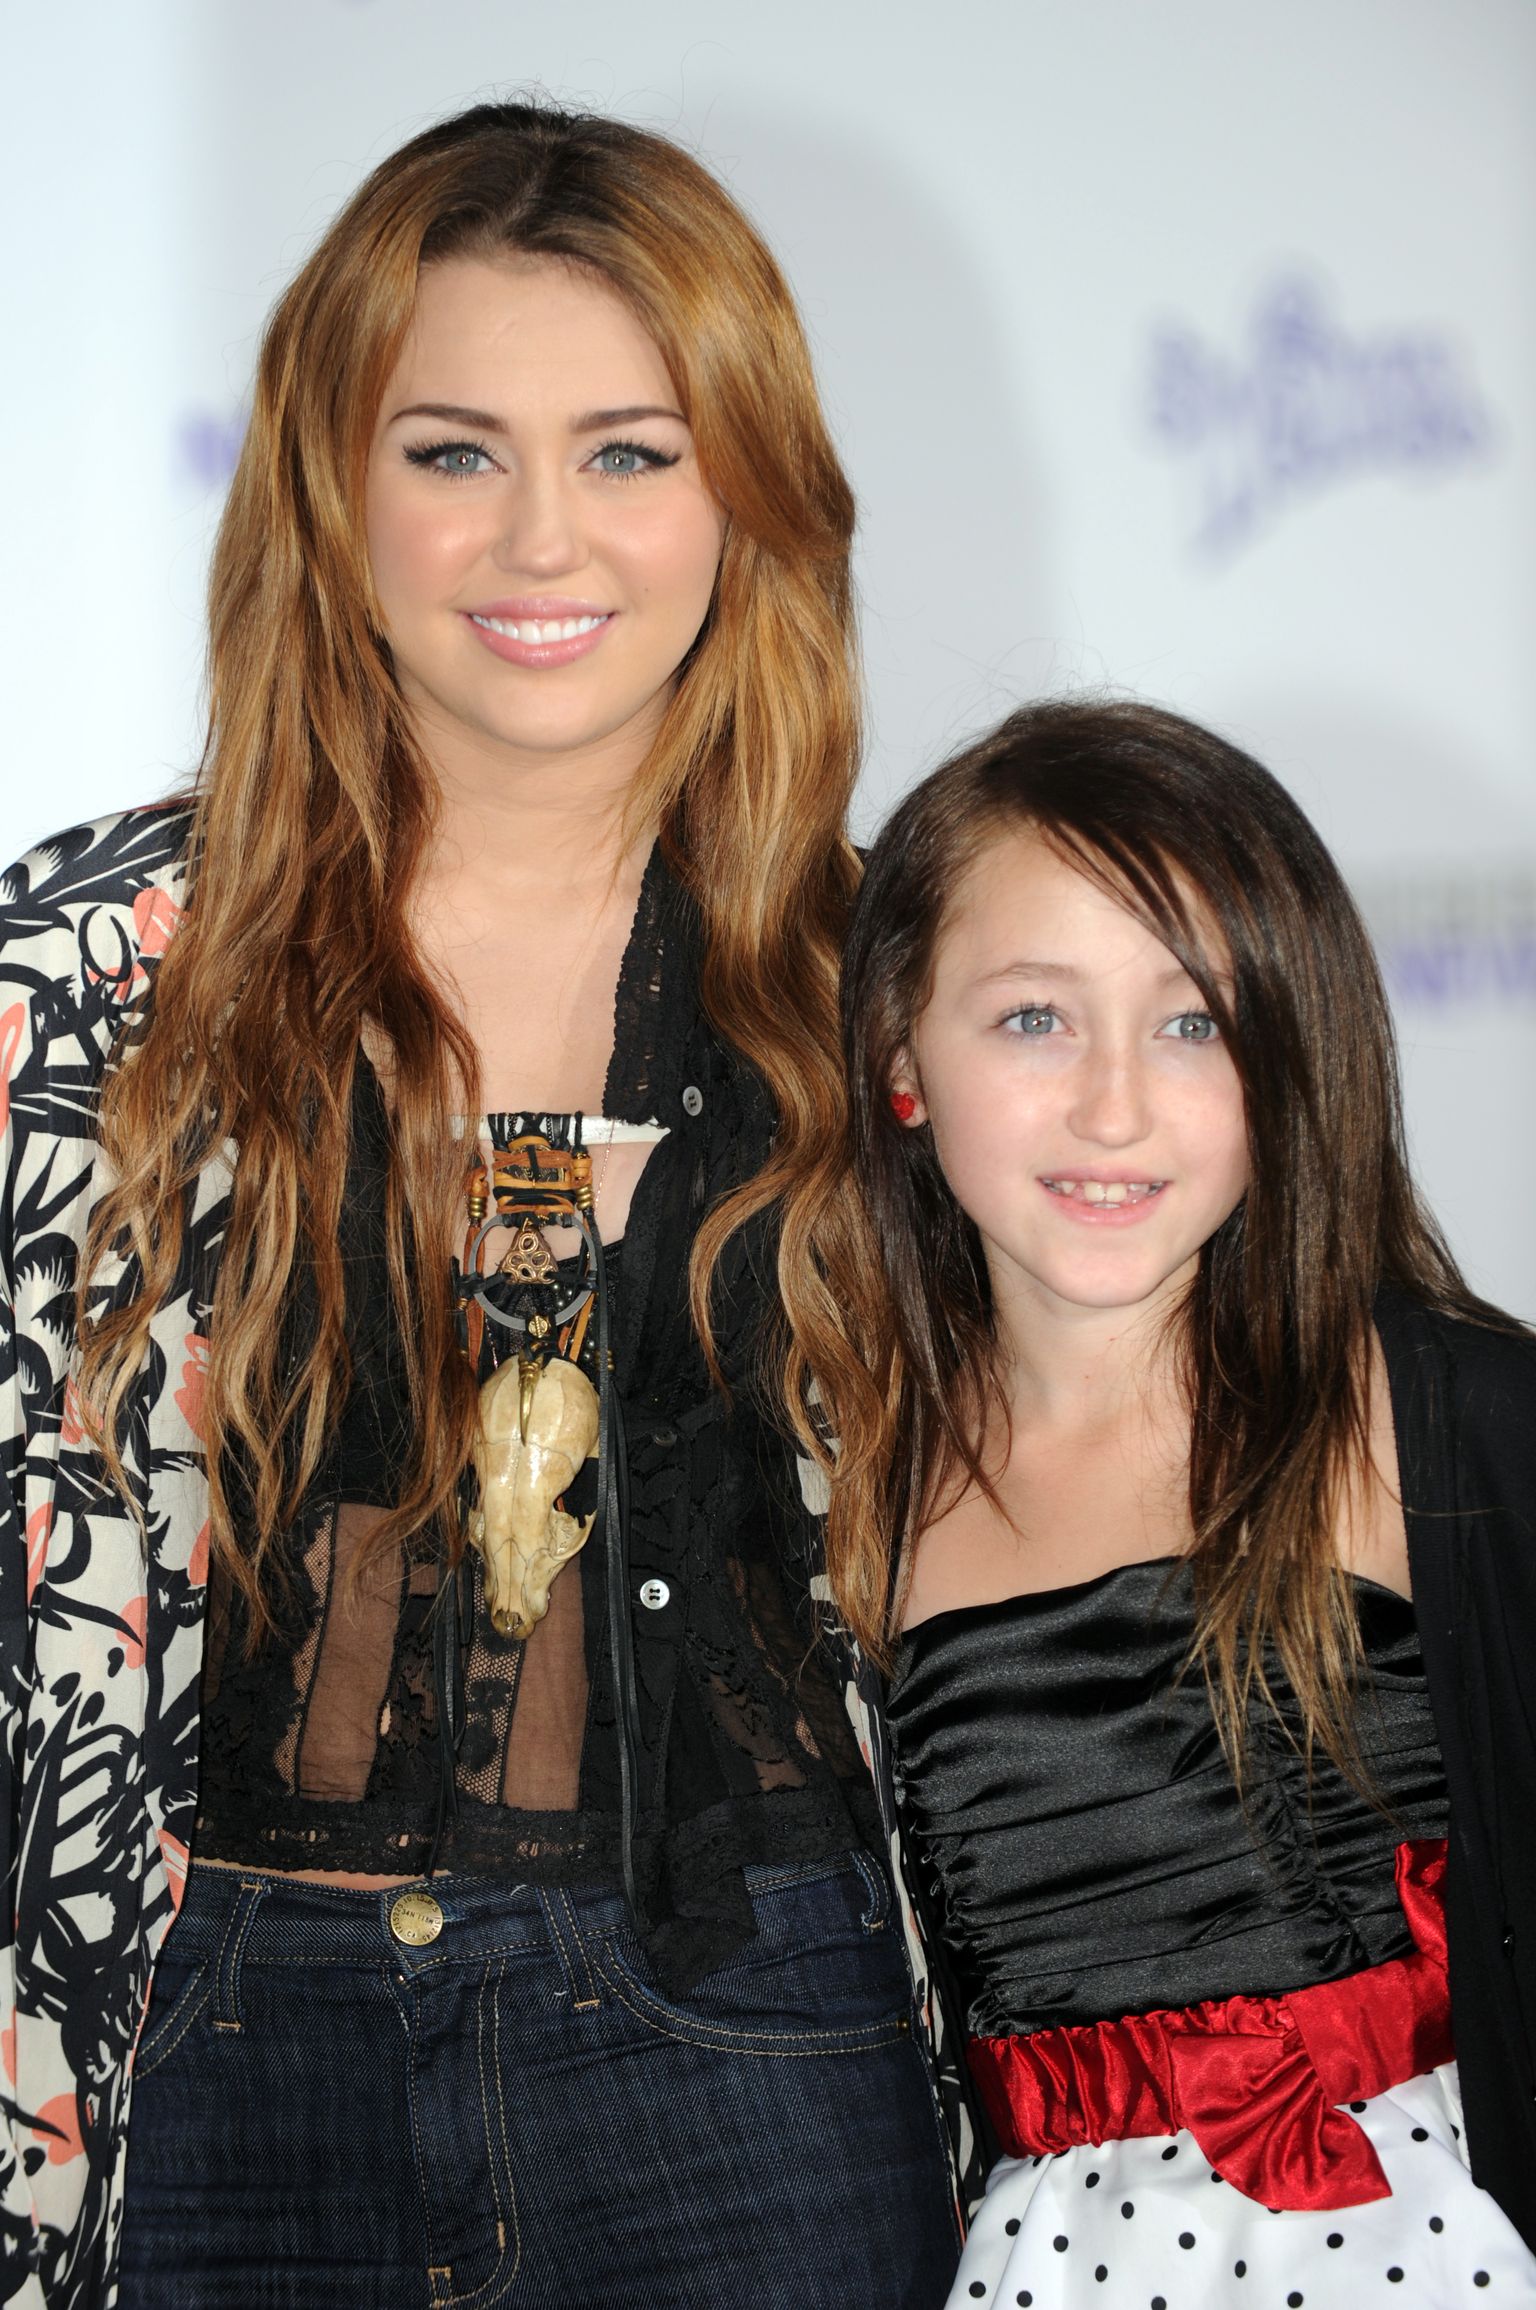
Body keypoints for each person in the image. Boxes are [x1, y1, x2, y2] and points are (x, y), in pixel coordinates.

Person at [0, 100, 961, 2310]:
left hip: (762, 2048)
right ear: (329, 487)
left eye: (629, 451)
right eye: (454, 451)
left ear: (748, 492)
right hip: (203, 2068)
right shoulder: (78, 981)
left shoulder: (903, 986)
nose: (544, 536)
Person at [791, 700, 1536, 2307]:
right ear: (899, 1056)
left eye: (1194, 1021)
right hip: (1047, 2262)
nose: (1115, 1105)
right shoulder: (846, 1486)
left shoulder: (1447, 1420)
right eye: (1034, 1018)